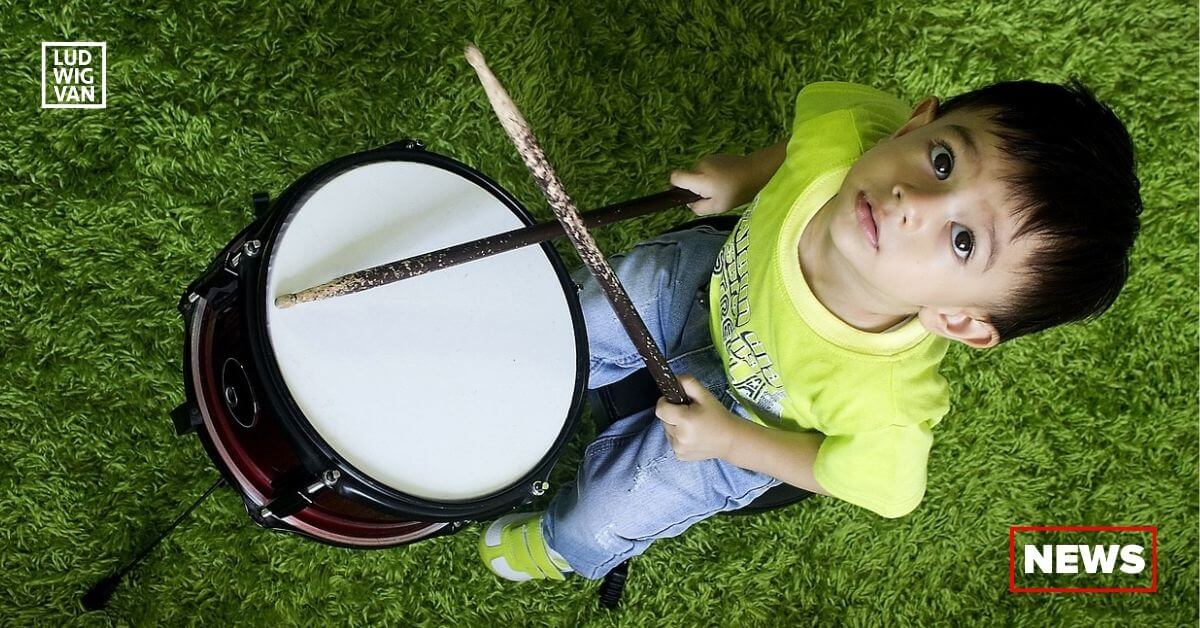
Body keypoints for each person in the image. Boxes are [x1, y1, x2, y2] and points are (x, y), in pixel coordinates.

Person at [477, 80, 1142, 581]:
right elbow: (807, 143)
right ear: (916, 122)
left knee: (609, 517)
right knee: (562, 332)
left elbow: (872, 486)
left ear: (960, 319)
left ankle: (560, 546)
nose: (916, 202)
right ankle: (508, 389)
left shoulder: (889, 403)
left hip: (754, 417)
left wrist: (733, 440)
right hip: (703, 284)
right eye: (942, 162)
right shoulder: (846, 134)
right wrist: (744, 176)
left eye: (963, 241)